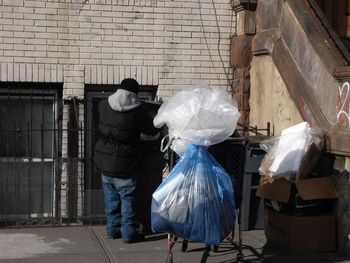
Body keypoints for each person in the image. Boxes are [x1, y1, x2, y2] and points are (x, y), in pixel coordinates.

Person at [94, 78, 159, 243]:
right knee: (127, 199)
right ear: (135, 94)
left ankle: (112, 230)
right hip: (126, 164)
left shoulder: (103, 105)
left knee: (111, 199)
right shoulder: (137, 113)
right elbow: (152, 130)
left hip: (105, 161)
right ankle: (129, 233)